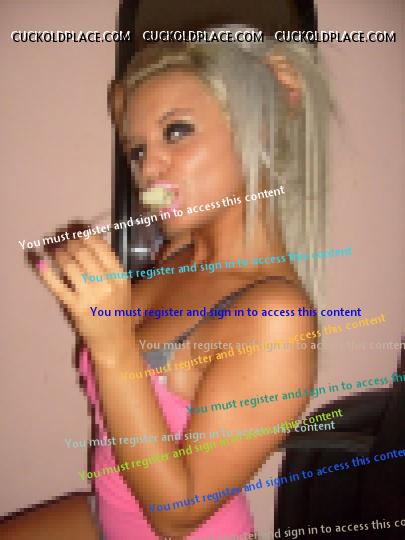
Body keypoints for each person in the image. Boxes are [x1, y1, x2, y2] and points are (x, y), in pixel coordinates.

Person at [1, 30, 330, 540]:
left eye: (176, 132)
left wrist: (112, 345)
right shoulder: (179, 253)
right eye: (137, 151)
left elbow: (177, 515)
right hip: (109, 515)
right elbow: (122, 101)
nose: (149, 169)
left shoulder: (276, 316)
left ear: (257, 129)